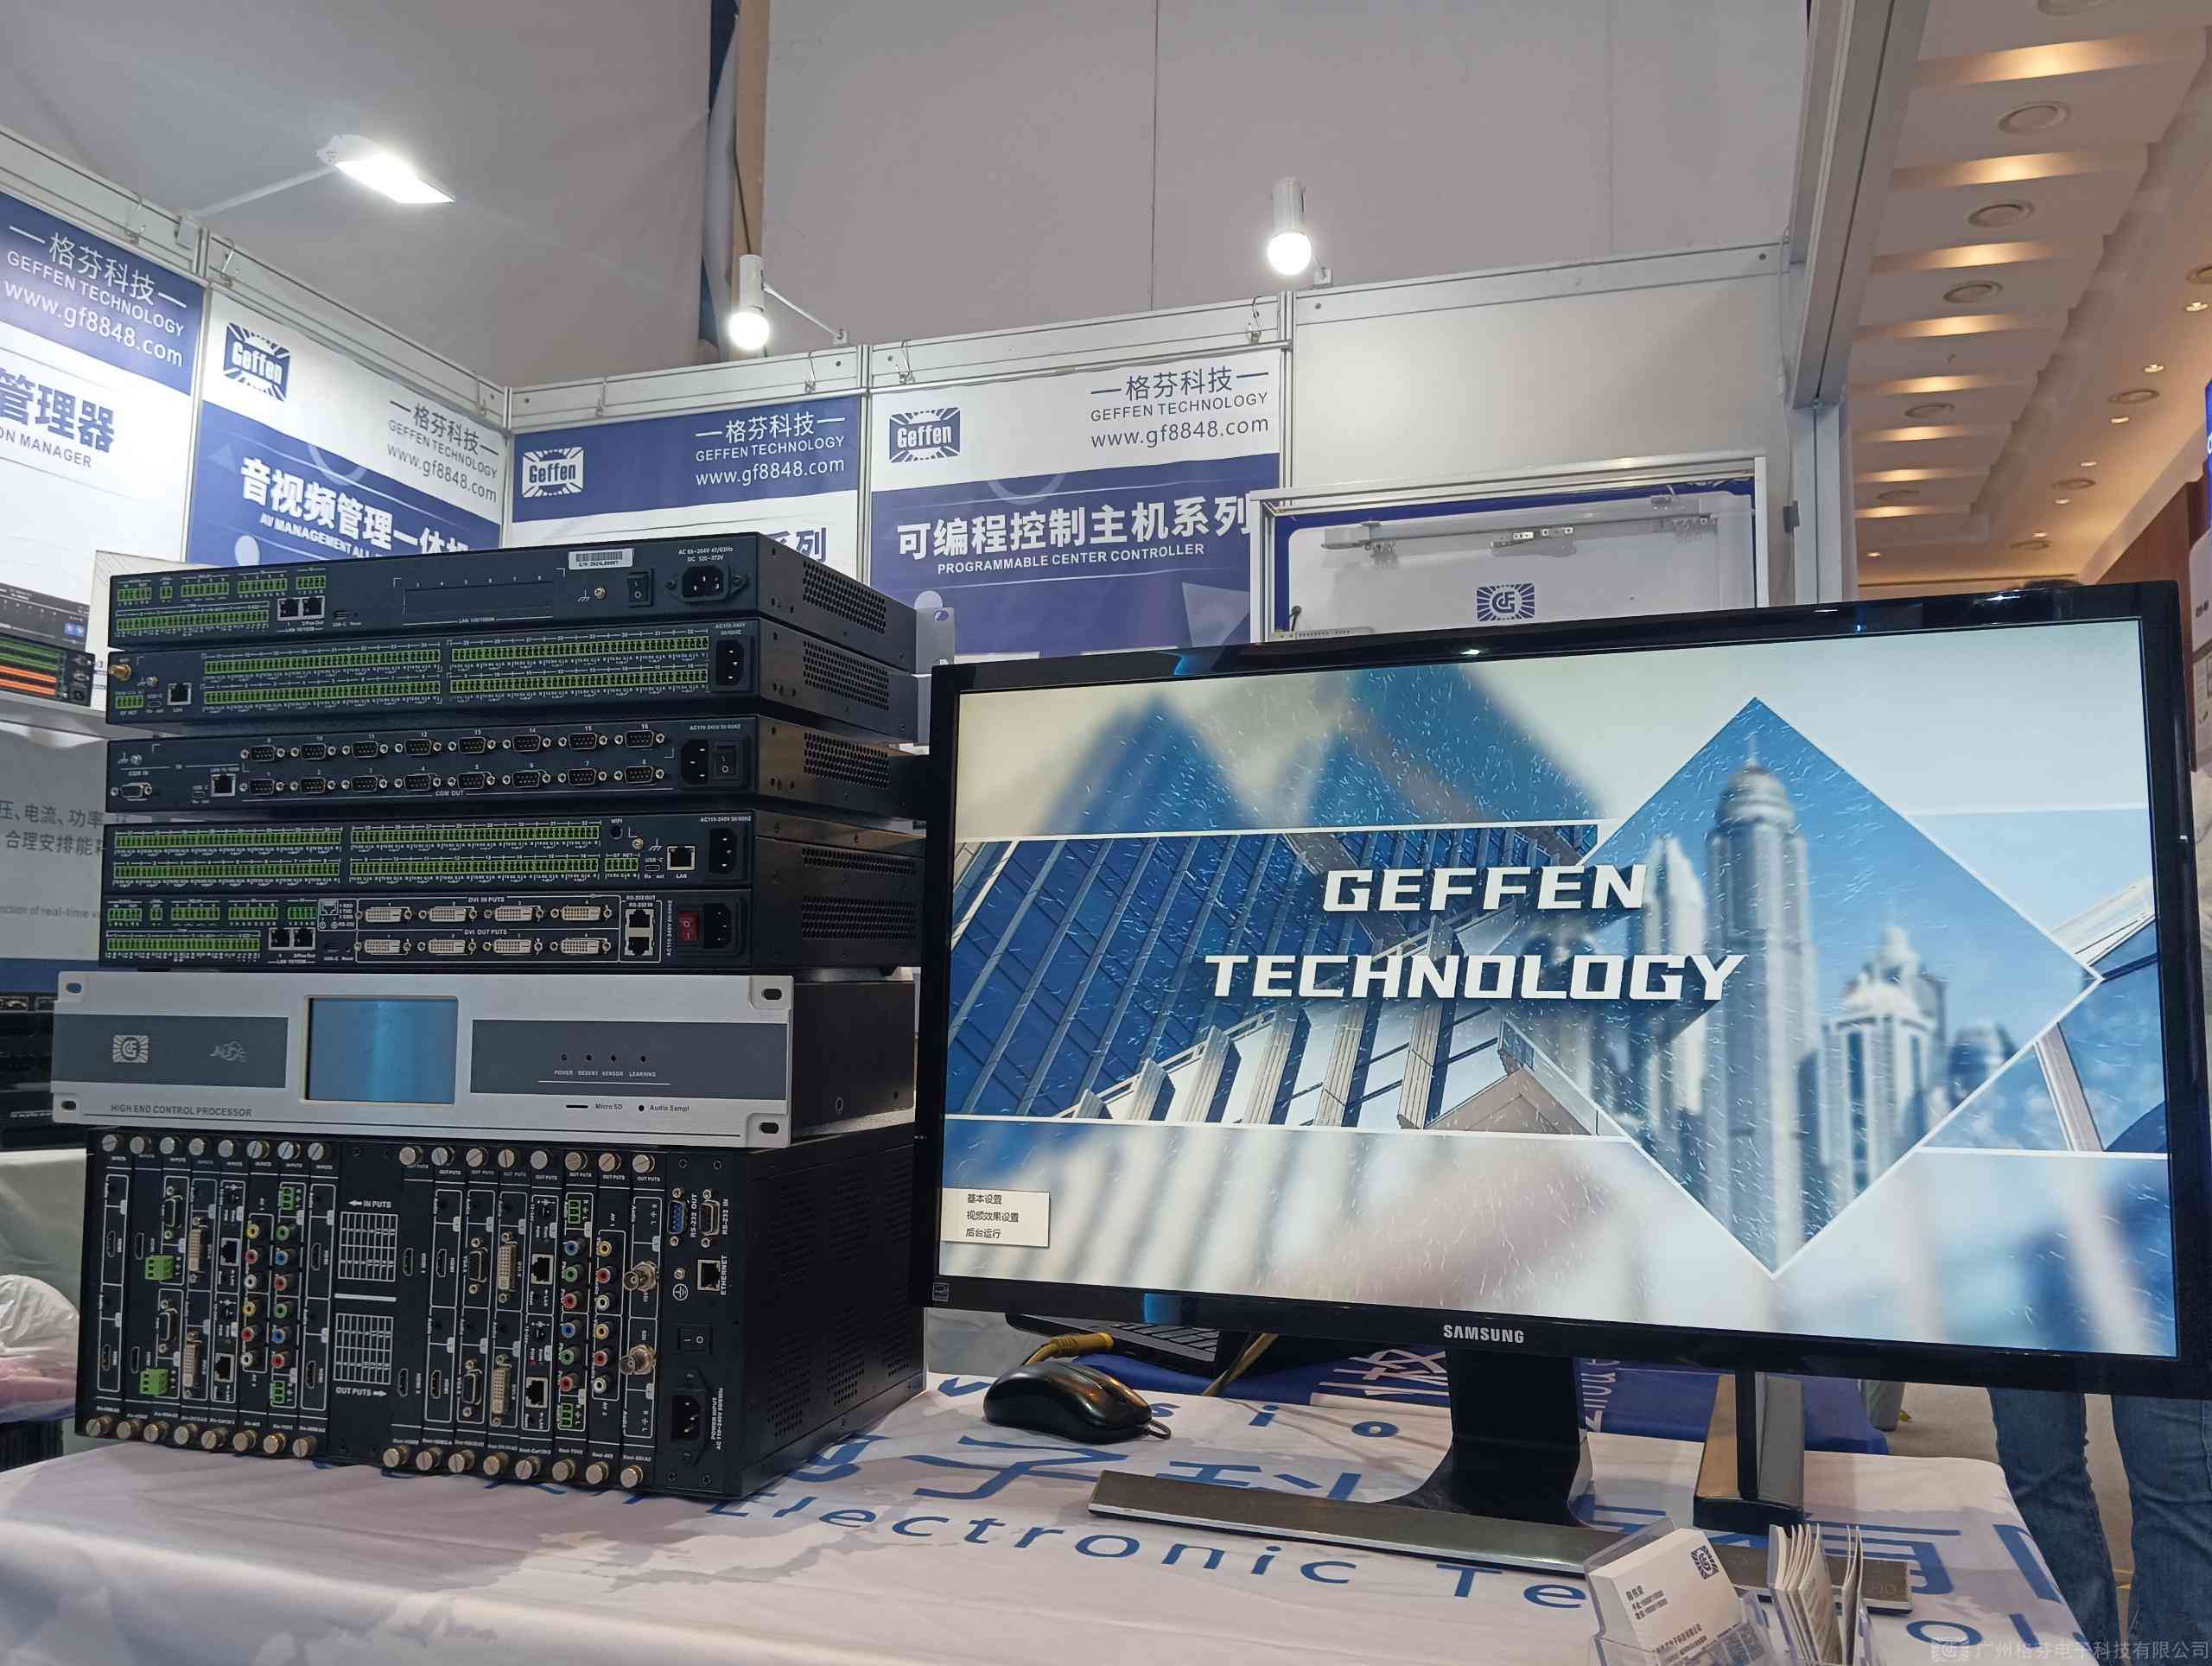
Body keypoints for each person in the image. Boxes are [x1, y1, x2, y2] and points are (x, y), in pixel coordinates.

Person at [1985, 771, 2212, 1654]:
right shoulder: (2015, 832)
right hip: (2026, 1181)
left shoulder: (2178, 807)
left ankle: (2167, 1646)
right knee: (2035, 1458)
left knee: (2175, 1468)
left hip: (2165, 1182)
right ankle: (2074, 1644)